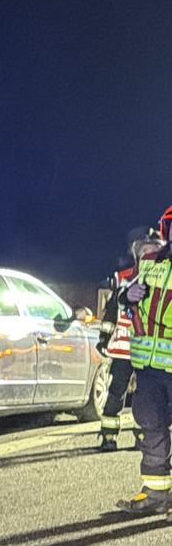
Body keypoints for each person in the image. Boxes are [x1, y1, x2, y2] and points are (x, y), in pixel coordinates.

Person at [118, 208, 172, 515]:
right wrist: (128, 296)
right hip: (150, 365)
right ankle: (156, 492)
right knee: (151, 425)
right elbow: (129, 294)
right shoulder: (150, 262)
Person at [98, 229, 164, 451]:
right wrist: (104, 337)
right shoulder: (124, 277)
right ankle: (108, 436)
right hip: (124, 348)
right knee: (116, 392)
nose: (149, 253)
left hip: (149, 351)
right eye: (145, 250)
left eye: (153, 249)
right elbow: (111, 311)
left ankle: (143, 437)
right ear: (137, 253)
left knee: (145, 397)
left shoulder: (163, 277)